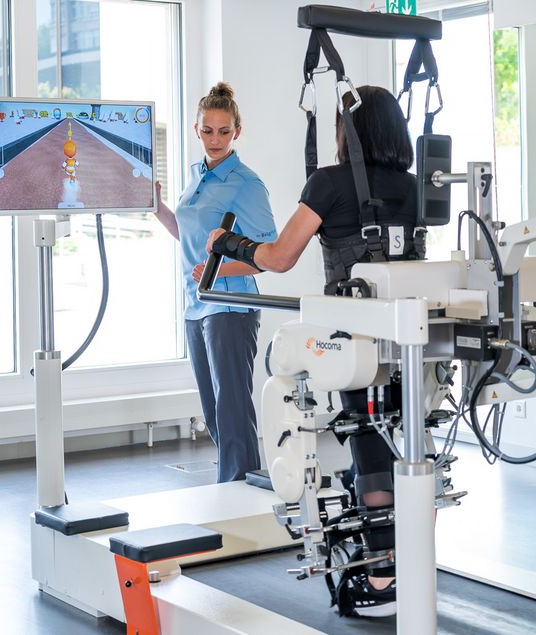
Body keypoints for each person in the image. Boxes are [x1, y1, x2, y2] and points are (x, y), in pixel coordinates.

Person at [204, 85, 422, 618]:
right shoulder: (417, 186)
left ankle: (381, 573)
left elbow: (278, 258)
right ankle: (406, 563)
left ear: (348, 133)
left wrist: (227, 245)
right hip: (410, 338)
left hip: (354, 338)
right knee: (402, 438)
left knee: (292, 378)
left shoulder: (329, 183)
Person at [153, 82, 277, 481]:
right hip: (196, 304)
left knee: (232, 409)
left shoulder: (246, 183)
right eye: (208, 130)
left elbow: (267, 256)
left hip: (230, 306)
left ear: (237, 131)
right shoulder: (196, 177)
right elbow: (190, 236)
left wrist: (218, 270)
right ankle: (234, 488)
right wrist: (157, 208)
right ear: (196, 129)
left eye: (224, 131)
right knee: (212, 410)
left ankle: (240, 493)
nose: (215, 139)